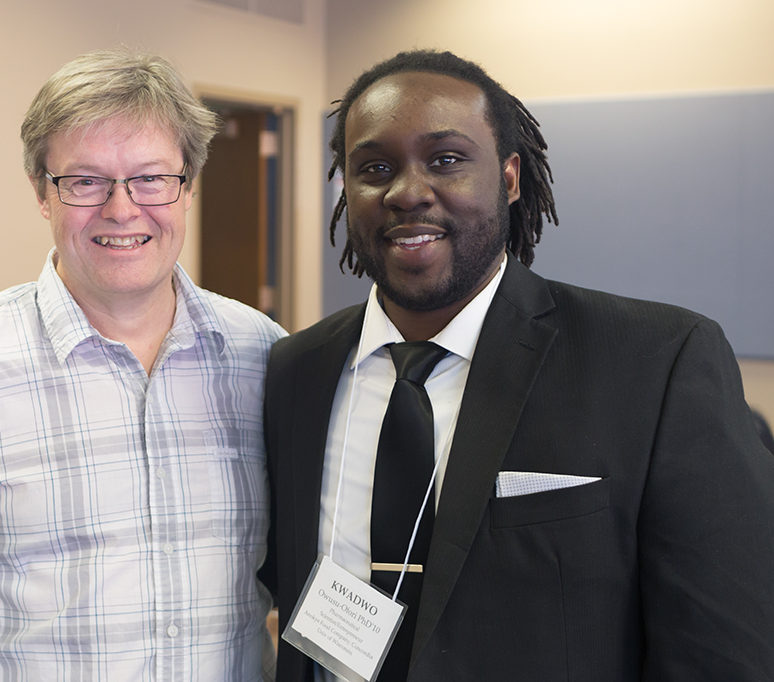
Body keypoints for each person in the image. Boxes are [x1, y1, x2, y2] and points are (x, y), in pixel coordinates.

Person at [263, 49, 774, 681]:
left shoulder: (657, 361)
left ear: (509, 177)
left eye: (446, 160)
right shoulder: (294, 371)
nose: (407, 192)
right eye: (375, 167)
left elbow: (725, 652)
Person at [0, 49, 285, 680]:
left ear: (189, 186)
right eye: (85, 181)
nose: (122, 209)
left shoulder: (265, 357)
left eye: (151, 178)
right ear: (43, 193)